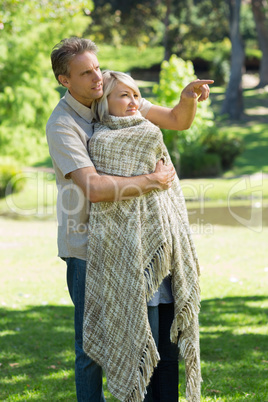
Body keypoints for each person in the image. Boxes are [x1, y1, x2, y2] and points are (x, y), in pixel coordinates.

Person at [46, 36, 213, 402]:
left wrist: (186, 100)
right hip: (87, 245)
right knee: (90, 347)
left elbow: (174, 120)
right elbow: (95, 187)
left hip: (137, 241)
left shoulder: (117, 98)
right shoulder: (62, 125)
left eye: (96, 68)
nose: (96, 78)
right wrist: (152, 181)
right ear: (65, 80)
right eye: (85, 73)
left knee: (153, 335)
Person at [83, 70, 203, 402]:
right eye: (124, 95)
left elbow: (166, 188)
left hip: (163, 256)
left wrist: (188, 98)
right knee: (140, 347)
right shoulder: (102, 141)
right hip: (127, 260)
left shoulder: (148, 130)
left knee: (167, 349)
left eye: (137, 94)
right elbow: (112, 198)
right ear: (105, 100)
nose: (133, 101)